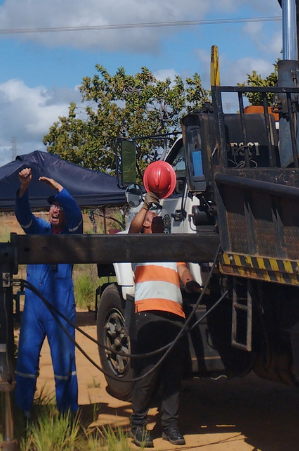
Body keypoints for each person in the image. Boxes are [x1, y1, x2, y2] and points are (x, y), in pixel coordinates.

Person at [125, 162, 200, 448]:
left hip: (175, 315)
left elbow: (182, 272)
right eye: (148, 218)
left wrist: (192, 284)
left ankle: (169, 425)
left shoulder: (170, 246)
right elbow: (131, 232)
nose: (153, 218)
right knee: (147, 374)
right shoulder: (138, 247)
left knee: (172, 375)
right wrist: (146, 204)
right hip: (148, 314)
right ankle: (139, 425)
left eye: (154, 215)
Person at [14, 164, 83, 419]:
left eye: (60, 206)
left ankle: (67, 417)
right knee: (26, 361)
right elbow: (24, 218)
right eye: (53, 205)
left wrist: (58, 188)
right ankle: (23, 412)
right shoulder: (39, 229)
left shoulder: (72, 233)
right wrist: (24, 187)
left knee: (64, 363)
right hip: (34, 306)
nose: (56, 209)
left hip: (61, 307)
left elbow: (76, 215)